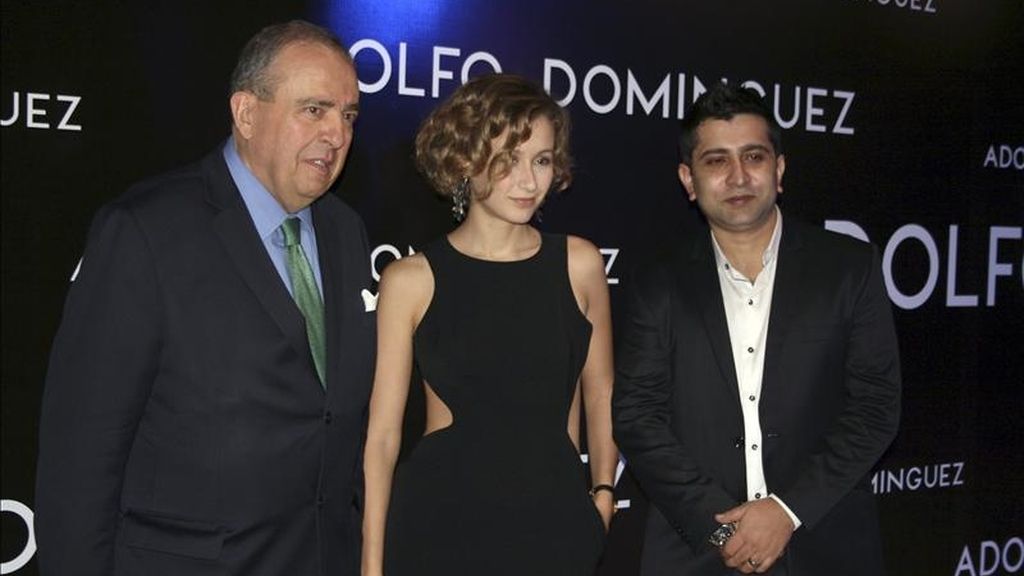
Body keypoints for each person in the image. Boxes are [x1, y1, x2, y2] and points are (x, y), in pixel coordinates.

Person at [34, 20, 375, 576]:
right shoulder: (145, 231)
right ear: (246, 113)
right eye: (314, 110)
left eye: (349, 115)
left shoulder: (345, 231)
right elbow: (81, 456)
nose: (337, 134)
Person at [613, 83, 901, 576]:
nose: (739, 176)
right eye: (716, 161)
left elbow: (875, 406)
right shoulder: (657, 281)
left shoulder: (848, 268)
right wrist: (725, 532)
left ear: (779, 170)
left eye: (753, 156)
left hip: (825, 543)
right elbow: (637, 417)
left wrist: (787, 512)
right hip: (698, 551)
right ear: (688, 179)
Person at [361, 74, 617, 576]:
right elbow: (383, 438)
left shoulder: (579, 264)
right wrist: (372, 566)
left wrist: (603, 493)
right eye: (507, 161)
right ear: (464, 159)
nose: (529, 182)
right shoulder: (410, 280)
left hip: (555, 527)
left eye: (542, 160)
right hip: (439, 527)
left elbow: (601, 393)